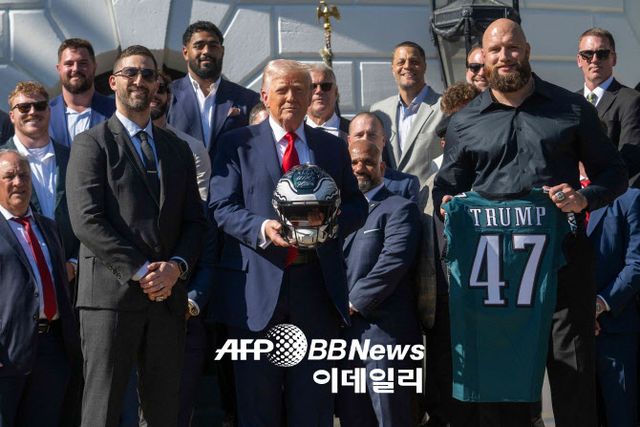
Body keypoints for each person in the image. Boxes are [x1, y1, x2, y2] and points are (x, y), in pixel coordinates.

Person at [433, 18, 628, 426]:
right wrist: (447, 205)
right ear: (483, 58)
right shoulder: (464, 121)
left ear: (527, 50)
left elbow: (614, 174)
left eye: (512, 47)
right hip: (497, 279)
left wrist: (583, 198)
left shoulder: (571, 108)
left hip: (564, 270)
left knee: (574, 384)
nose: (505, 56)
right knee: (504, 393)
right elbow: (446, 189)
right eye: (496, 50)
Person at [209, 59, 367, 427]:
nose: (292, 97)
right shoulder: (236, 144)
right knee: (257, 406)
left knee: (313, 406)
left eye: (300, 89)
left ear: (311, 96)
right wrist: (262, 227)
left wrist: (328, 224)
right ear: (265, 96)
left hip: (316, 290)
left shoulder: (332, 147)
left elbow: (357, 205)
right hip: (256, 291)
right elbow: (220, 207)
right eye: (283, 89)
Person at [66, 45, 207, 427]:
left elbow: (196, 222)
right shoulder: (91, 143)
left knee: (163, 412)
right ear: (113, 82)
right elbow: (87, 220)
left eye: (148, 74)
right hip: (109, 299)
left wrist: (175, 268)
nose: (140, 80)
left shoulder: (177, 149)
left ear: (158, 83)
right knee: (102, 410)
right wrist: (143, 271)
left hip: (166, 300)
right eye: (131, 72)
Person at [338, 139, 421, 427]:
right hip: (344, 338)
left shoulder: (400, 209)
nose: (360, 168)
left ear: (382, 168)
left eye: (368, 162)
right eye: (354, 162)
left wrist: (351, 303)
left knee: (390, 418)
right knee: (352, 418)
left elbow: (392, 263)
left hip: (384, 337)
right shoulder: (335, 213)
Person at [0, 149, 79, 427]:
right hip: (7, 352)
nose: (18, 182)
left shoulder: (48, 227)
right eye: (9, 176)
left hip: (51, 350)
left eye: (24, 175)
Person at [1, 81, 78, 285]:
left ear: (49, 111)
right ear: (12, 116)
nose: (32, 112)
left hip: (73, 281)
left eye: (40, 106)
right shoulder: (0, 164)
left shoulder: (74, 159)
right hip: (19, 281)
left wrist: (74, 263)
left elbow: (90, 215)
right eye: (24, 107)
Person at [587, 186, 640, 427]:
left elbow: (636, 264)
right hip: (568, 331)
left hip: (614, 331)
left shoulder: (629, 198)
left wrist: (599, 305)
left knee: (621, 416)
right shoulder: (554, 196)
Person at [167, 20, 260, 158]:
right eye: (199, 46)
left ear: (222, 51)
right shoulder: (168, 94)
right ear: (185, 52)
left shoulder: (247, 99)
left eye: (213, 46)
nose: (206, 51)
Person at [370, 41, 445, 188]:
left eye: (414, 62)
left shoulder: (444, 107)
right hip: (388, 197)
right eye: (401, 62)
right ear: (392, 68)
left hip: (428, 197)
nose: (407, 66)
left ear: (424, 66)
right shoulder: (379, 112)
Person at [577, 28, 640, 187]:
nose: (594, 60)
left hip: (612, 194)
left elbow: (630, 158)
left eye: (602, 54)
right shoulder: (569, 102)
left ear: (614, 59)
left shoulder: (631, 100)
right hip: (571, 194)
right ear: (579, 60)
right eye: (587, 54)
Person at [152, 71, 211, 201]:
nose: (154, 94)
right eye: (148, 88)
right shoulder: (118, 141)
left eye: (160, 89)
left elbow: (200, 202)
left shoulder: (193, 149)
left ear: (169, 97)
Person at [49, 38, 116, 147]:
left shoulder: (116, 111)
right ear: (59, 69)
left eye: (83, 63)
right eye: (69, 64)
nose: (75, 69)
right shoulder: (45, 114)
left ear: (94, 67)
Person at [348, 112, 419, 203]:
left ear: (383, 140)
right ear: (349, 141)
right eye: (359, 135)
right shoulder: (338, 180)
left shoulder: (405, 184)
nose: (365, 139)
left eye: (372, 135)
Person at [305, 63, 349, 141]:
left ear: (336, 92)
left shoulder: (353, 131)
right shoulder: (294, 133)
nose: (319, 91)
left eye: (325, 86)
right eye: (312, 86)